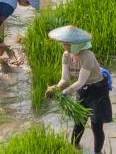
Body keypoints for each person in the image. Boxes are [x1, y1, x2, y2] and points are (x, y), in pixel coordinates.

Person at [46, 25, 112, 154]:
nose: (65, 46)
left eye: (69, 44)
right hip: (82, 90)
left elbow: (81, 82)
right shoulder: (66, 55)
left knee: (96, 126)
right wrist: (56, 88)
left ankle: (97, 152)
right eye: (64, 43)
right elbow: (65, 79)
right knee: (79, 123)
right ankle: (74, 149)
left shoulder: (88, 56)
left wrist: (65, 92)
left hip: (97, 89)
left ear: (78, 44)